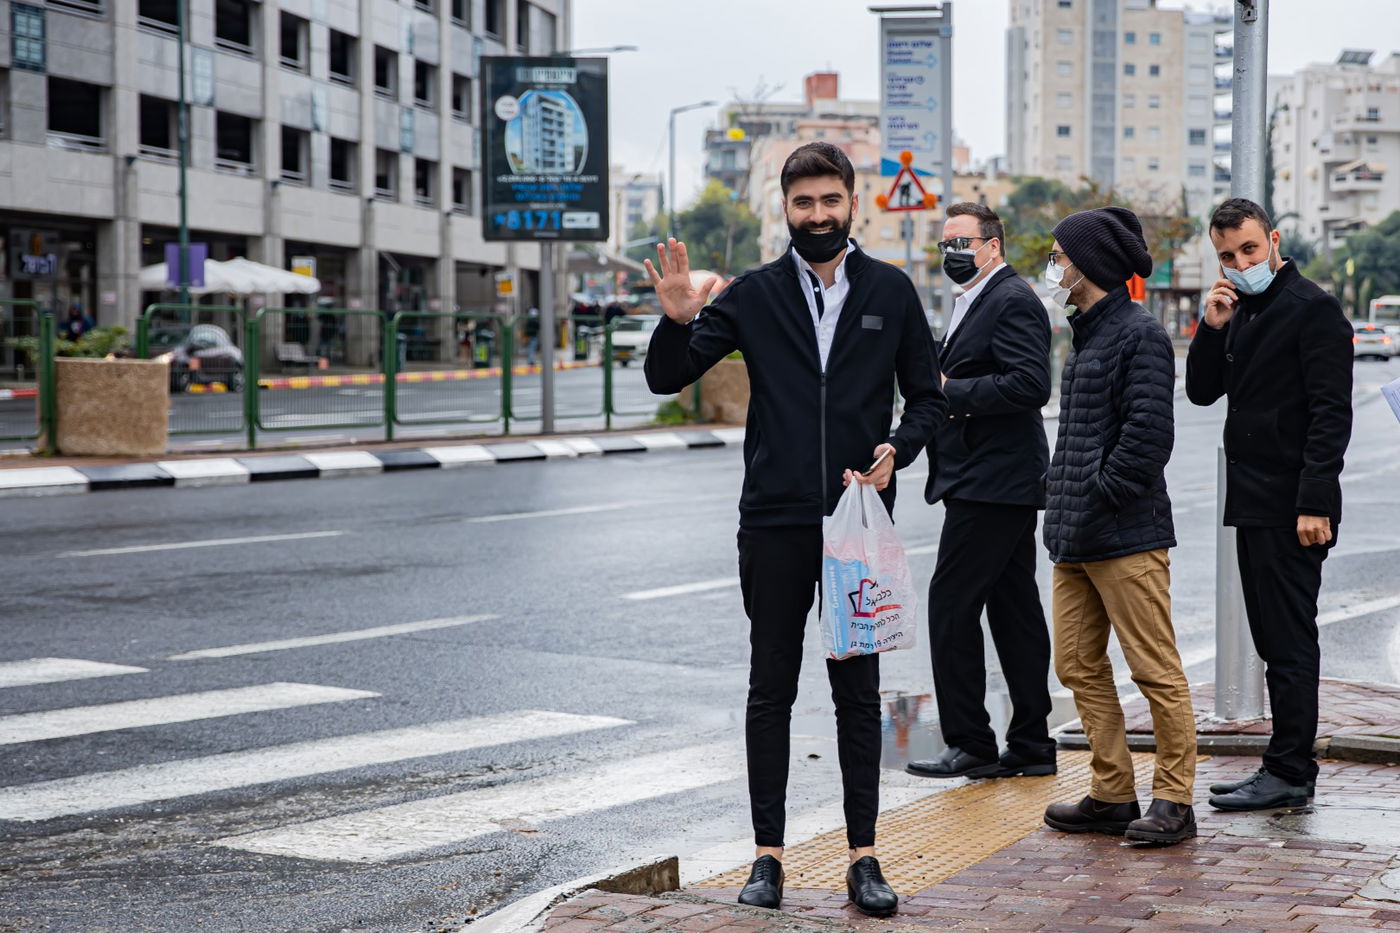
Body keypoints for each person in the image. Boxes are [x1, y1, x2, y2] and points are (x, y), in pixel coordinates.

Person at [643, 141, 945, 918]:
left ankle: (864, 856)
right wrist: (676, 320)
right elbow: (667, 375)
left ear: (853, 203)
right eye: (803, 202)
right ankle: (768, 857)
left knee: (858, 693)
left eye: (829, 200)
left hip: (857, 522)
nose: (817, 215)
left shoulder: (891, 290)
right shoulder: (754, 294)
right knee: (770, 687)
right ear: (785, 207)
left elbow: (929, 398)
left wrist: (898, 449)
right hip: (774, 519)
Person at [1185, 198, 1353, 811]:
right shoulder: (1241, 310)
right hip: (1252, 500)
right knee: (1271, 639)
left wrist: (1315, 503)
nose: (1240, 263)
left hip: (1293, 506)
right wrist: (1211, 326)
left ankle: (1290, 771)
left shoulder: (1313, 308)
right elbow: (1201, 392)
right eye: (1227, 256)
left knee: (1288, 642)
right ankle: (1281, 765)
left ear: (1274, 241)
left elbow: (1331, 414)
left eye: (1249, 249)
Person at [1039, 206, 1197, 846]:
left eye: (1058, 256)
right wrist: (1062, 496)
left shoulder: (1140, 334)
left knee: (1154, 669)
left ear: (1088, 265)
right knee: (1076, 664)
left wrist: (1099, 495)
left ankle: (1174, 800)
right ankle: (1112, 793)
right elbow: (1078, 437)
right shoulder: (1086, 335)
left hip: (1126, 536)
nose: (1052, 267)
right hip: (1075, 537)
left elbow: (1148, 437)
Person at [904, 202, 1056, 782]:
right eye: (946, 244)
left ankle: (971, 742)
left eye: (962, 243)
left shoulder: (1011, 298)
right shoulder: (978, 298)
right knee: (1014, 611)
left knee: (950, 605)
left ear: (993, 246)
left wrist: (950, 389)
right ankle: (1032, 744)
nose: (952, 254)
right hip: (992, 479)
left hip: (994, 481)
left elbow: (1030, 384)